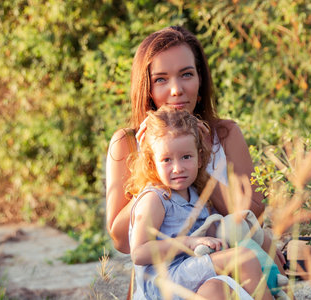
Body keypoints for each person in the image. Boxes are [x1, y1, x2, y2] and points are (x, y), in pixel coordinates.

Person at [105, 25, 285, 294]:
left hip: (228, 273)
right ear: (147, 88)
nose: (176, 89)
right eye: (161, 79)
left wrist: (199, 161)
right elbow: (122, 241)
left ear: (200, 80)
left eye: (186, 74)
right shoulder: (127, 142)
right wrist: (152, 165)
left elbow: (252, 216)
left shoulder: (225, 134)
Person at [127, 106, 272, 300]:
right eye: (166, 160)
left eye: (186, 157)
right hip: (165, 281)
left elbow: (206, 230)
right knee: (243, 258)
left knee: (217, 290)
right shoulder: (155, 199)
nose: (177, 168)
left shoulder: (197, 194)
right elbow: (139, 253)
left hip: (191, 272)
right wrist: (187, 243)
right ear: (153, 163)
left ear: (200, 158)